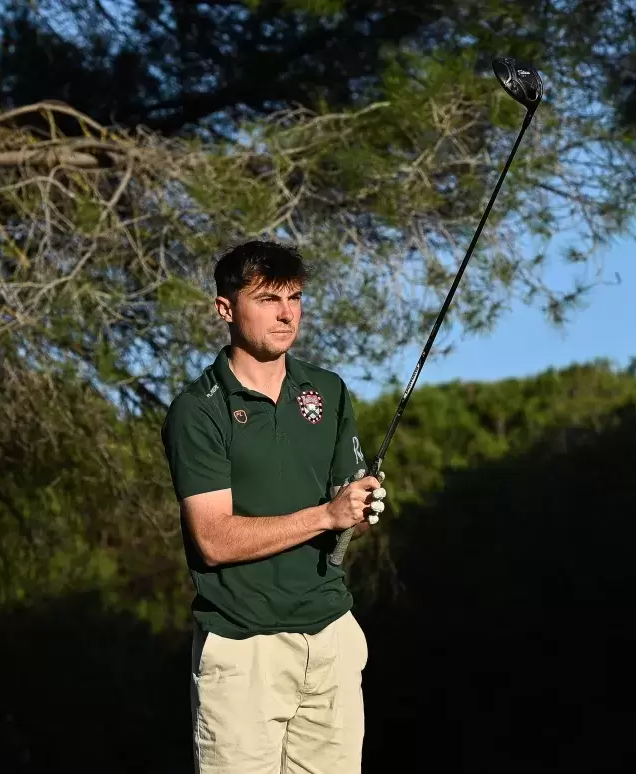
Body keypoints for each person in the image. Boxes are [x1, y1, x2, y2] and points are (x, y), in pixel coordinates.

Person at [160, 239, 388, 773]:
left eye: (296, 298)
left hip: (330, 634)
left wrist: (360, 506)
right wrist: (326, 515)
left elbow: (344, 505)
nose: (287, 314)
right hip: (244, 646)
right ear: (225, 308)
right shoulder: (197, 411)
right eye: (267, 299)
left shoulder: (328, 391)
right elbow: (213, 540)